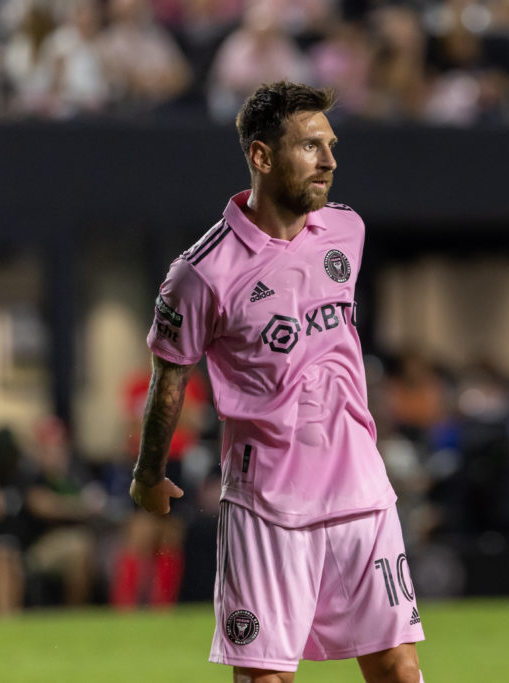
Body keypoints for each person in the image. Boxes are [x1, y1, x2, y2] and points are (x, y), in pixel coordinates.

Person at [130, 81, 426, 683]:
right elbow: (169, 381)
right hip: (267, 502)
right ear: (262, 157)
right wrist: (149, 473)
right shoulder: (200, 273)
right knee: (265, 677)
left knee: (397, 665)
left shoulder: (347, 231)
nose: (330, 160)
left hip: (360, 490)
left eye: (331, 145)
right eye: (311, 146)